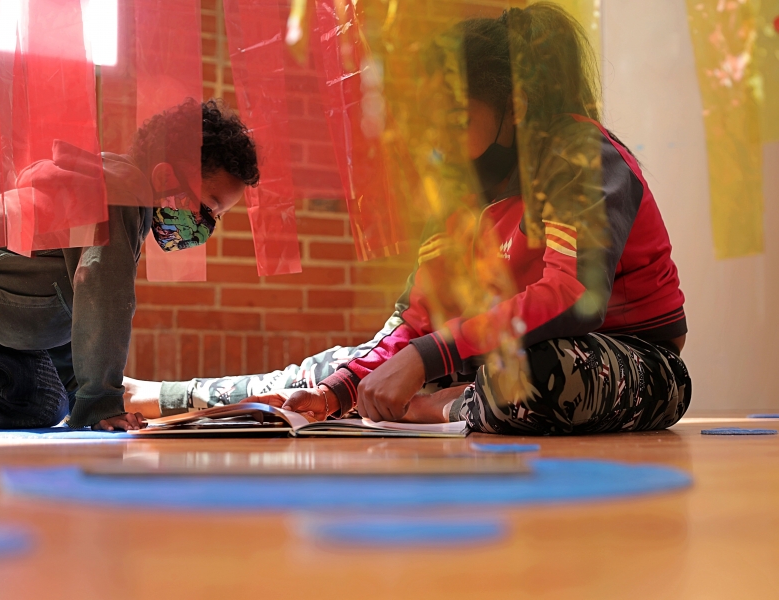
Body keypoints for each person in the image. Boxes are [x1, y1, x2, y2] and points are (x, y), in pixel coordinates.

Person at [126, 3, 691, 435]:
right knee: (338, 369)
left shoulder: (576, 153)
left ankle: (438, 407)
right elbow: (419, 316)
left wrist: (428, 360)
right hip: (486, 353)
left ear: (514, 110)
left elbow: (571, 294)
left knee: (529, 378)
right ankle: (163, 397)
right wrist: (342, 391)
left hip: (625, 356)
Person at [0, 99, 258, 431]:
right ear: (165, 175)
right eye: (210, 207)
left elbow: (71, 306)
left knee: (43, 401)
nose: (209, 223)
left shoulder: (121, 195)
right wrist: (100, 405)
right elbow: (103, 298)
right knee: (43, 401)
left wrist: (80, 393)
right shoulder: (119, 192)